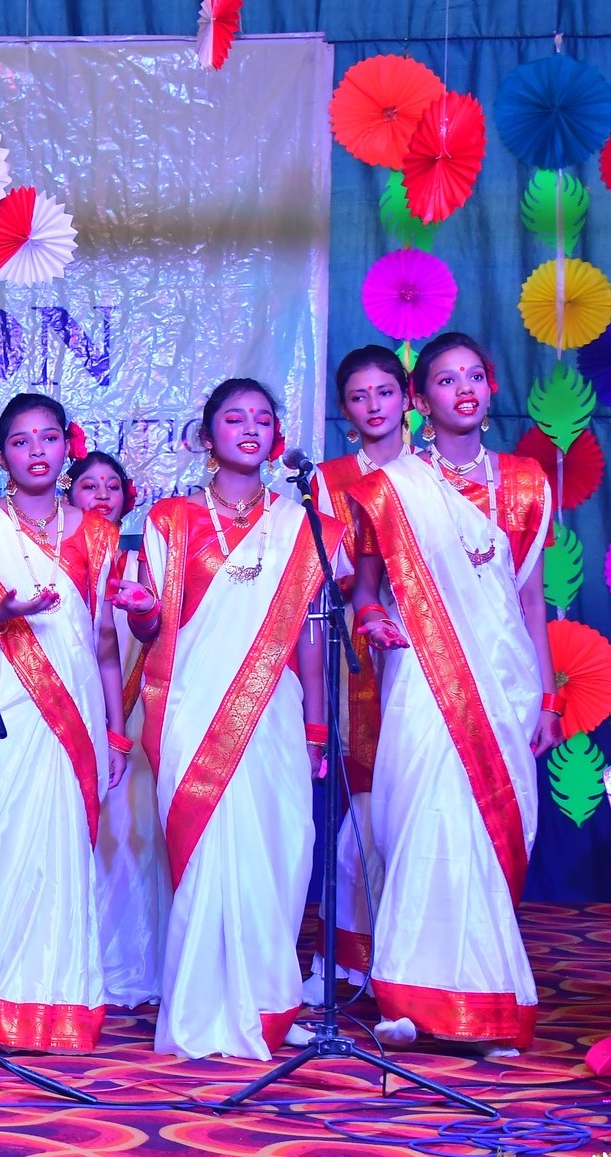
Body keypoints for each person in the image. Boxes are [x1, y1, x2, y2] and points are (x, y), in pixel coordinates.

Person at [116, 378, 341, 1061]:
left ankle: (267, 1005)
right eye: (234, 418)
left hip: (273, 712)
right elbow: (154, 624)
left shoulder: (301, 523)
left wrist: (316, 727)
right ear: (207, 436)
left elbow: (309, 636)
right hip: (194, 708)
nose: (249, 428)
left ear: (276, 436)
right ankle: (201, 1008)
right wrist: (140, 611)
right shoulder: (173, 519)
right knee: (208, 853)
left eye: (262, 419)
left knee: (280, 848)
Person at [347, 332, 557, 1057]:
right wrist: (371, 620)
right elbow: (366, 591)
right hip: (423, 677)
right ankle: (411, 999)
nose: (463, 388)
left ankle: (487, 1003)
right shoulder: (392, 487)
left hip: (503, 682)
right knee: (424, 827)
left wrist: (548, 696)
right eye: (445, 379)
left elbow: (530, 601)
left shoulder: (526, 481)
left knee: (489, 837)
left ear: (491, 387)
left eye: (474, 375)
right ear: (420, 398)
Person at [0, 395, 126, 1053]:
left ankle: (55, 1001)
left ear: (68, 445)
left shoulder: (97, 534)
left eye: (47, 438)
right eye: (20, 440)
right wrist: (1, 614)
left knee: (59, 849)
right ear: (0, 452)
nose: (36, 451)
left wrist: (116, 731)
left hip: (75, 717)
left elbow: (104, 646)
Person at [302, 346, 412, 1003]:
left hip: (431, 643)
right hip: (358, 644)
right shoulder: (330, 478)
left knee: (419, 799)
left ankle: (411, 960)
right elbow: (324, 571)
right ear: (344, 410)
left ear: (407, 398)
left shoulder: (433, 472)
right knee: (364, 809)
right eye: (358, 396)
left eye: (384, 392)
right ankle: (346, 961)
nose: (373, 406)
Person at [68, 450, 169, 1010]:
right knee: (85, 836)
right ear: (69, 495)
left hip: (138, 720)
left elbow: (155, 636)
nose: (102, 495)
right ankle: (84, 962)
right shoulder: (56, 563)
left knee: (136, 837)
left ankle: (135, 963)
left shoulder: (144, 565)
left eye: (112, 486)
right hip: (79, 718)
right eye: (89, 485)